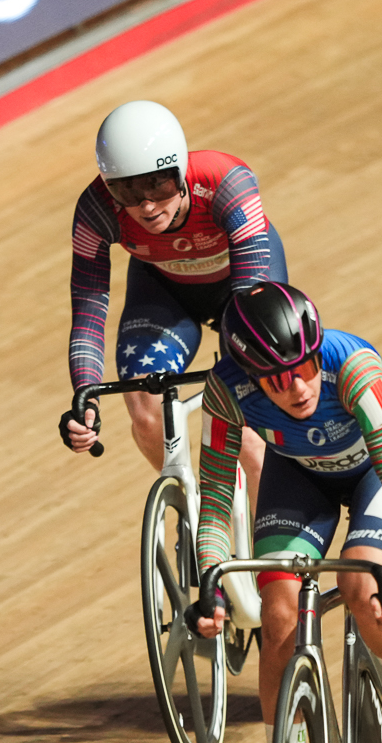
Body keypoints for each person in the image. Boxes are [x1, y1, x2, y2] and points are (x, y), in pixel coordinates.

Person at [187, 283, 382, 743]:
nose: (297, 388)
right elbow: (218, 496)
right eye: (277, 379)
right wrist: (209, 581)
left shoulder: (352, 367)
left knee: (359, 583)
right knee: (277, 615)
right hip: (301, 475)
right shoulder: (226, 390)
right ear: (247, 370)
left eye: (302, 370)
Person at [59, 100, 285, 487]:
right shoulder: (95, 209)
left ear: (180, 172)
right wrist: (87, 397)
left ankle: (271, 539)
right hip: (164, 292)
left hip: (243, 291)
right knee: (146, 412)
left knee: (249, 436)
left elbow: (250, 293)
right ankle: (187, 510)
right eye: (127, 191)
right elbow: (89, 311)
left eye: (158, 185)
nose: (146, 205)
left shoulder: (226, 181)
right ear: (108, 187)